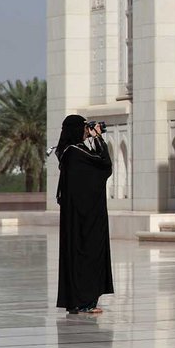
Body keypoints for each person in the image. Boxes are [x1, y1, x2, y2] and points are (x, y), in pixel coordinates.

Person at [55, 114, 114, 316]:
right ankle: (86, 302)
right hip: (87, 218)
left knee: (77, 255)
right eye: (83, 127)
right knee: (88, 254)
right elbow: (104, 165)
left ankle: (77, 301)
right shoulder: (76, 153)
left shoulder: (67, 152)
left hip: (76, 217)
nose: (85, 130)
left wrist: (92, 138)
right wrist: (98, 138)